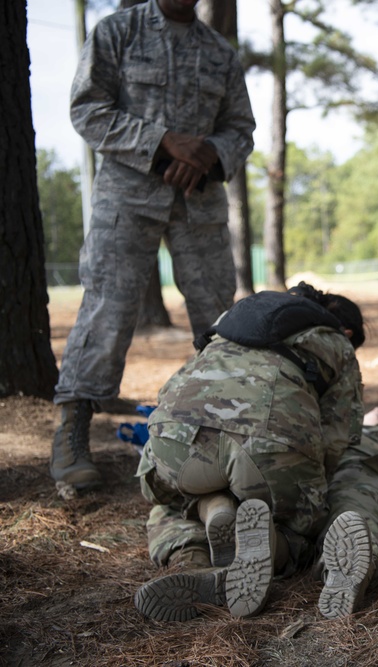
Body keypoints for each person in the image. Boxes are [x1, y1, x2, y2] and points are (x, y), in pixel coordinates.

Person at [131, 284, 378, 621]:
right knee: (309, 523)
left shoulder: (235, 315)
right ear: (346, 331)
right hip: (267, 453)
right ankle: (275, 545)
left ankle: (201, 538)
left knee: (172, 505)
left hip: (174, 444)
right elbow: (336, 440)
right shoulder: (335, 341)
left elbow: (176, 388)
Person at [50, 0, 256, 492]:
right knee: (107, 311)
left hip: (198, 203)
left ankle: (227, 431)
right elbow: (88, 110)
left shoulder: (220, 54)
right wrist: (164, 141)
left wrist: (207, 152)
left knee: (220, 321)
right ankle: (73, 430)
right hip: (127, 200)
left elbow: (241, 130)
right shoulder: (117, 32)